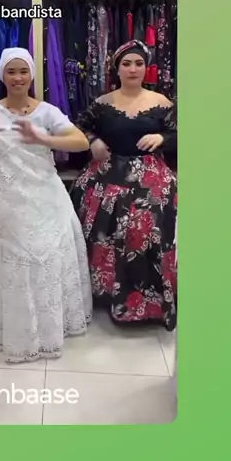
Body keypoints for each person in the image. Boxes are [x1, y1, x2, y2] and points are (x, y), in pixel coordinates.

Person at [0, 47, 93, 363]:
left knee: (44, 261)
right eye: (11, 72)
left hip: (45, 201)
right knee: (10, 267)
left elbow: (80, 142)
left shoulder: (48, 112)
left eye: (23, 71)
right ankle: (11, 330)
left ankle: (47, 328)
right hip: (0, 206)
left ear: (32, 75)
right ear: (2, 76)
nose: (18, 78)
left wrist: (44, 139)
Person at [70, 40, 177, 331]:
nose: (133, 69)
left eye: (139, 63)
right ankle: (105, 294)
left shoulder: (162, 102)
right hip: (108, 172)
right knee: (100, 219)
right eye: (126, 64)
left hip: (150, 175)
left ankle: (150, 300)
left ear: (146, 68)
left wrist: (163, 138)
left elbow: (181, 133)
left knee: (148, 225)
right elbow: (78, 127)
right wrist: (92, 140)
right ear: (116, 69)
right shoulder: (102, 103)